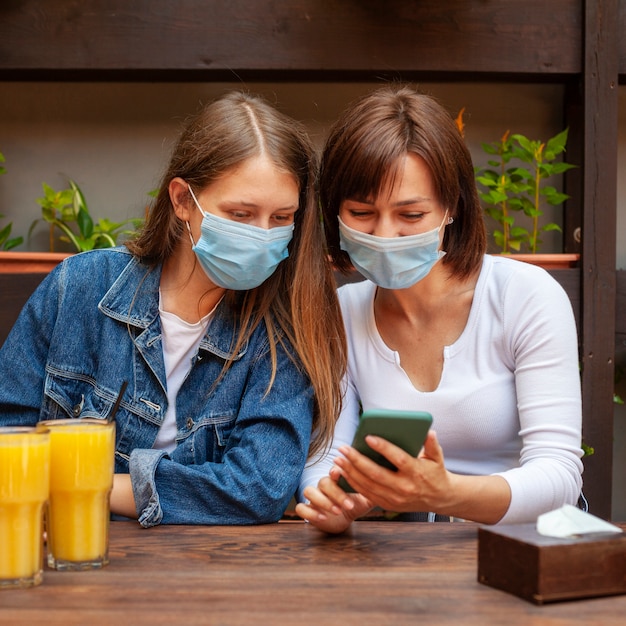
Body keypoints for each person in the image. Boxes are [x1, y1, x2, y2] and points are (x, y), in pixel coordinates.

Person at [0, 90, 346, 527]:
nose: (262, 234)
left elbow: (259, 487)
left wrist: (88, 487)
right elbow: (8, 434)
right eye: (241, 214)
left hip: (204, 571)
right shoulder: (79, 289)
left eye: (281, 218)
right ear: (183, 200)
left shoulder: (282, 328)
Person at [296, 84, 583, 532]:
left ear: (452, 206)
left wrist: (446, 494)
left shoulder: (524, 296)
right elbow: (329, 454)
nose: (386, 235)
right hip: (407, 554)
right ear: (334, 211)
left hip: (521, 550)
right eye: (361, 213)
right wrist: (332, 501)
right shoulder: (342, 311)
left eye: (411, 216)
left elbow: (560, 476)